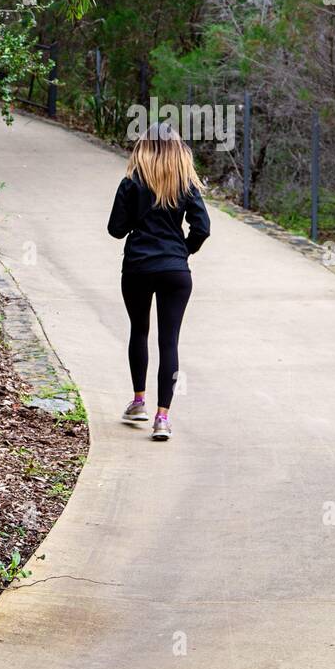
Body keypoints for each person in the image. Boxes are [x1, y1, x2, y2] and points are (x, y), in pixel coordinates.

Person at [107, 122, 210, 440]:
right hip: (175, 272)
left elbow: (116, 229)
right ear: (178, 150)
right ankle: (162, 418)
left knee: (139, 331)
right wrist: (182, 252)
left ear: (144, 148)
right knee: (170, 342)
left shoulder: (132, 182)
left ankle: (138, 401)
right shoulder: (185, 184)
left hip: (138, 267)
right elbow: (202, 227)